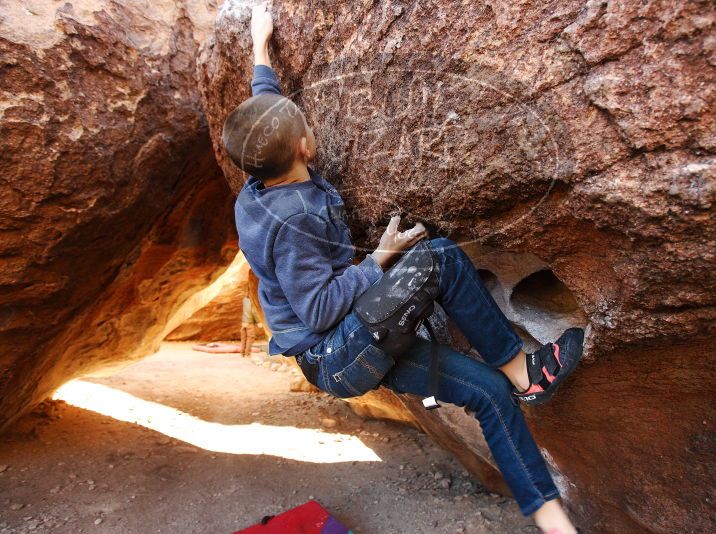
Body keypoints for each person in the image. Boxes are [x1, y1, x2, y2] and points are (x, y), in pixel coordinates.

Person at [224, 5, 585, 533]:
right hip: (334, 350)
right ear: (304, 146)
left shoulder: (257, 178)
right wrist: (379, 260)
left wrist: (261, 43)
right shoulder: (296, 216)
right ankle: (523, 372)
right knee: (437, 257)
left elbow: (264, 107)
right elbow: (319, 307)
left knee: (485, 393)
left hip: (350, 345)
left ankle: (556, 525)